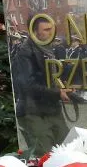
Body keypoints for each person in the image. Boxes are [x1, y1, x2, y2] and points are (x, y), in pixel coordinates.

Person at [13, 15, 72, 156]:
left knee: (68, 149)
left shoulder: (47, 49)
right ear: (34, 31)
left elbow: (50, 78)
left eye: (51, 29)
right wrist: (57, 93)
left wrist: (63, 87)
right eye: (46, 30)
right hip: (33, 111)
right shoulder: (25, 52)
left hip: (51, 108)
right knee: (45, 155)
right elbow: (28, 85)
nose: (51, 33)